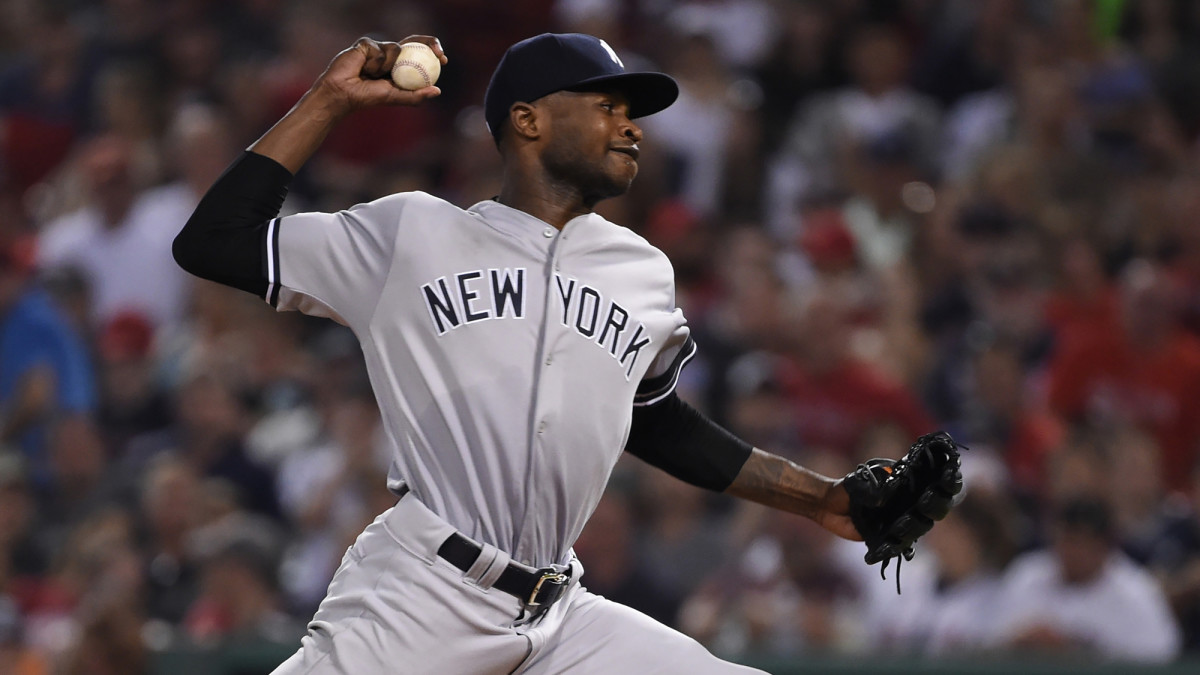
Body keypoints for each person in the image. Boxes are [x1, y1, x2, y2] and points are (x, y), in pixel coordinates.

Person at [173, 32, 869, 674]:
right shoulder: (410, 234)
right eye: (606, 105)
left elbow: (658, 423)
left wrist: (823, 498)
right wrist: (328, 100)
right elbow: (214, 240)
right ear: (529, 120)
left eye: (631, 111)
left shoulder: (642, 271)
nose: (630, 126)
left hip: (560, 613)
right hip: (423, 594)